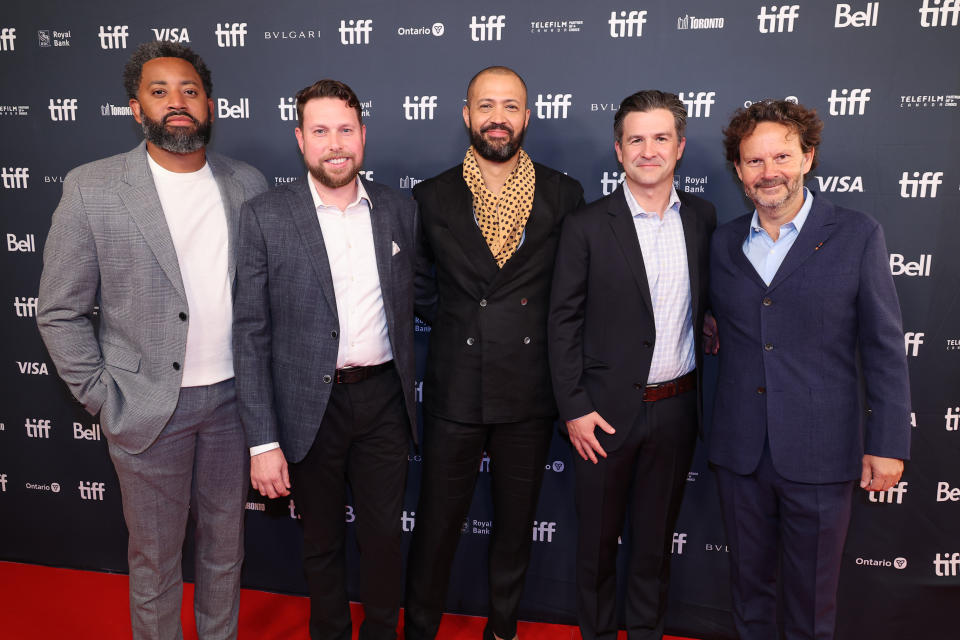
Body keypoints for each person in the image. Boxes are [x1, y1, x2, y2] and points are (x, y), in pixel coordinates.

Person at [36, 41, 267, 640]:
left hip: (232, 406)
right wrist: (101, 396)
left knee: (225, 554)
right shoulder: (93, 189)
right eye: (159, 91)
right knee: (156, 563)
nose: (177, 103)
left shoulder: (248, 184)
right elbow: (59, 311)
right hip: (145, 410)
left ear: (210, 103)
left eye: (189, 90)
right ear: (136, 108)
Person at [710, 99, 911, 639]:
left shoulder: (856, 234)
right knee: (747, 596)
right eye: (754, 161)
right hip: (740, 451)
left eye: (782, 156)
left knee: (810, 604)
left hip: (823, 452)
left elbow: (885, 346)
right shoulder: (723, 241)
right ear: (738, 169)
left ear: (807, 158)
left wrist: (888, 442)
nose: (769, 172)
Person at [232, 79, 418, 640]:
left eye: (344, 129)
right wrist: (262, 442)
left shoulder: (398, 209)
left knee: (385, 538)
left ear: (363, 135)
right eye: (320, 131)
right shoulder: (264, 215)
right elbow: (249, 332)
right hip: (308, 405)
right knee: (321, 542)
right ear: (300, 140)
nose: (334, 143)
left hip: (385, 399)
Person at [404, 65, 584, 640]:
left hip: (529, 391)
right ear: (466, 115)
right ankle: (421, 629)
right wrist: (460, 325)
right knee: (436, 525)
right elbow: (416, 284)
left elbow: (569, 291)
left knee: (515, 528)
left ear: (527, 116)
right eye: (486, 106)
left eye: (510, 107)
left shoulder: (564, 192)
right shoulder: (431, 197)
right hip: (456, 385)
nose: (498, 118)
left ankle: (502, 629)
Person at [548, 90, 716, 640]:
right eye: (636, 140)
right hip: (603, 418)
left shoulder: (703, 218)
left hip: (676, 412)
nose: (649, 150)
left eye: (661, 138)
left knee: (653, 549)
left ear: (680, 146)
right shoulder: (587, 225)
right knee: (596, 548)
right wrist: (574, 408)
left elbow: (709, 301)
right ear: (619, 151)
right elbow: (562, 323)